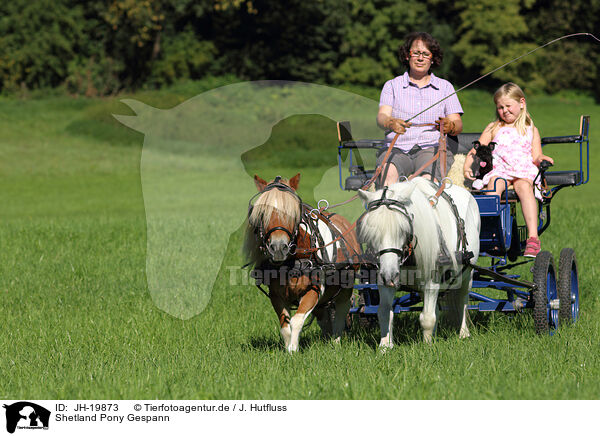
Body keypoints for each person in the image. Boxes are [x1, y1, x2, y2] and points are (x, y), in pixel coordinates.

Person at [463, 82, 553, 257]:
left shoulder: (531, 129)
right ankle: (493, 232)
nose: (504, 110)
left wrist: (542, 158)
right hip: (500, 169)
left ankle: (533, 238)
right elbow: (478, 149)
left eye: (508, 106)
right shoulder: (494, 127)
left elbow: (536, 155)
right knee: (494, 185)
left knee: (524, 188)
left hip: (522, 170)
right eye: (500, 107)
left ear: (521, 102)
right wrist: (468, 163)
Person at [376, 32, 463, 186]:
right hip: (397, 148)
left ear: (432, 58)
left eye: (425, 54)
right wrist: (390, 122)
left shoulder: (445, 87)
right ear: (407, 56)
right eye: (416, 53)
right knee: (387, 178)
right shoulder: (392, 85)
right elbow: (382, 116)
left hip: (431, 148)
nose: (420, 58)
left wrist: (450, 126)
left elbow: (458, 124)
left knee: (425, 185)